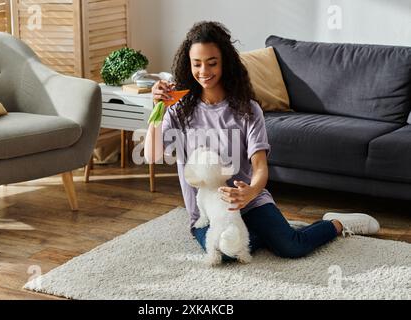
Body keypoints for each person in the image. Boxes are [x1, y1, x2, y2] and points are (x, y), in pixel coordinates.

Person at [144, 21, 380, 260]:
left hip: (250, 202)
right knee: (225, 254)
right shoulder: (179, 110)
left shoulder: (248, 110)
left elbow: (260, 168)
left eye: (212, 63)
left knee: (292, 247)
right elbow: (152, 155)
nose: (204, 71)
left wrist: (250, 192)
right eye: (197, 64)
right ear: (188, 65)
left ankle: (336, 223)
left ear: (225, 62)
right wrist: (157, 110)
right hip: (209, 212)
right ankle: (270, 232)